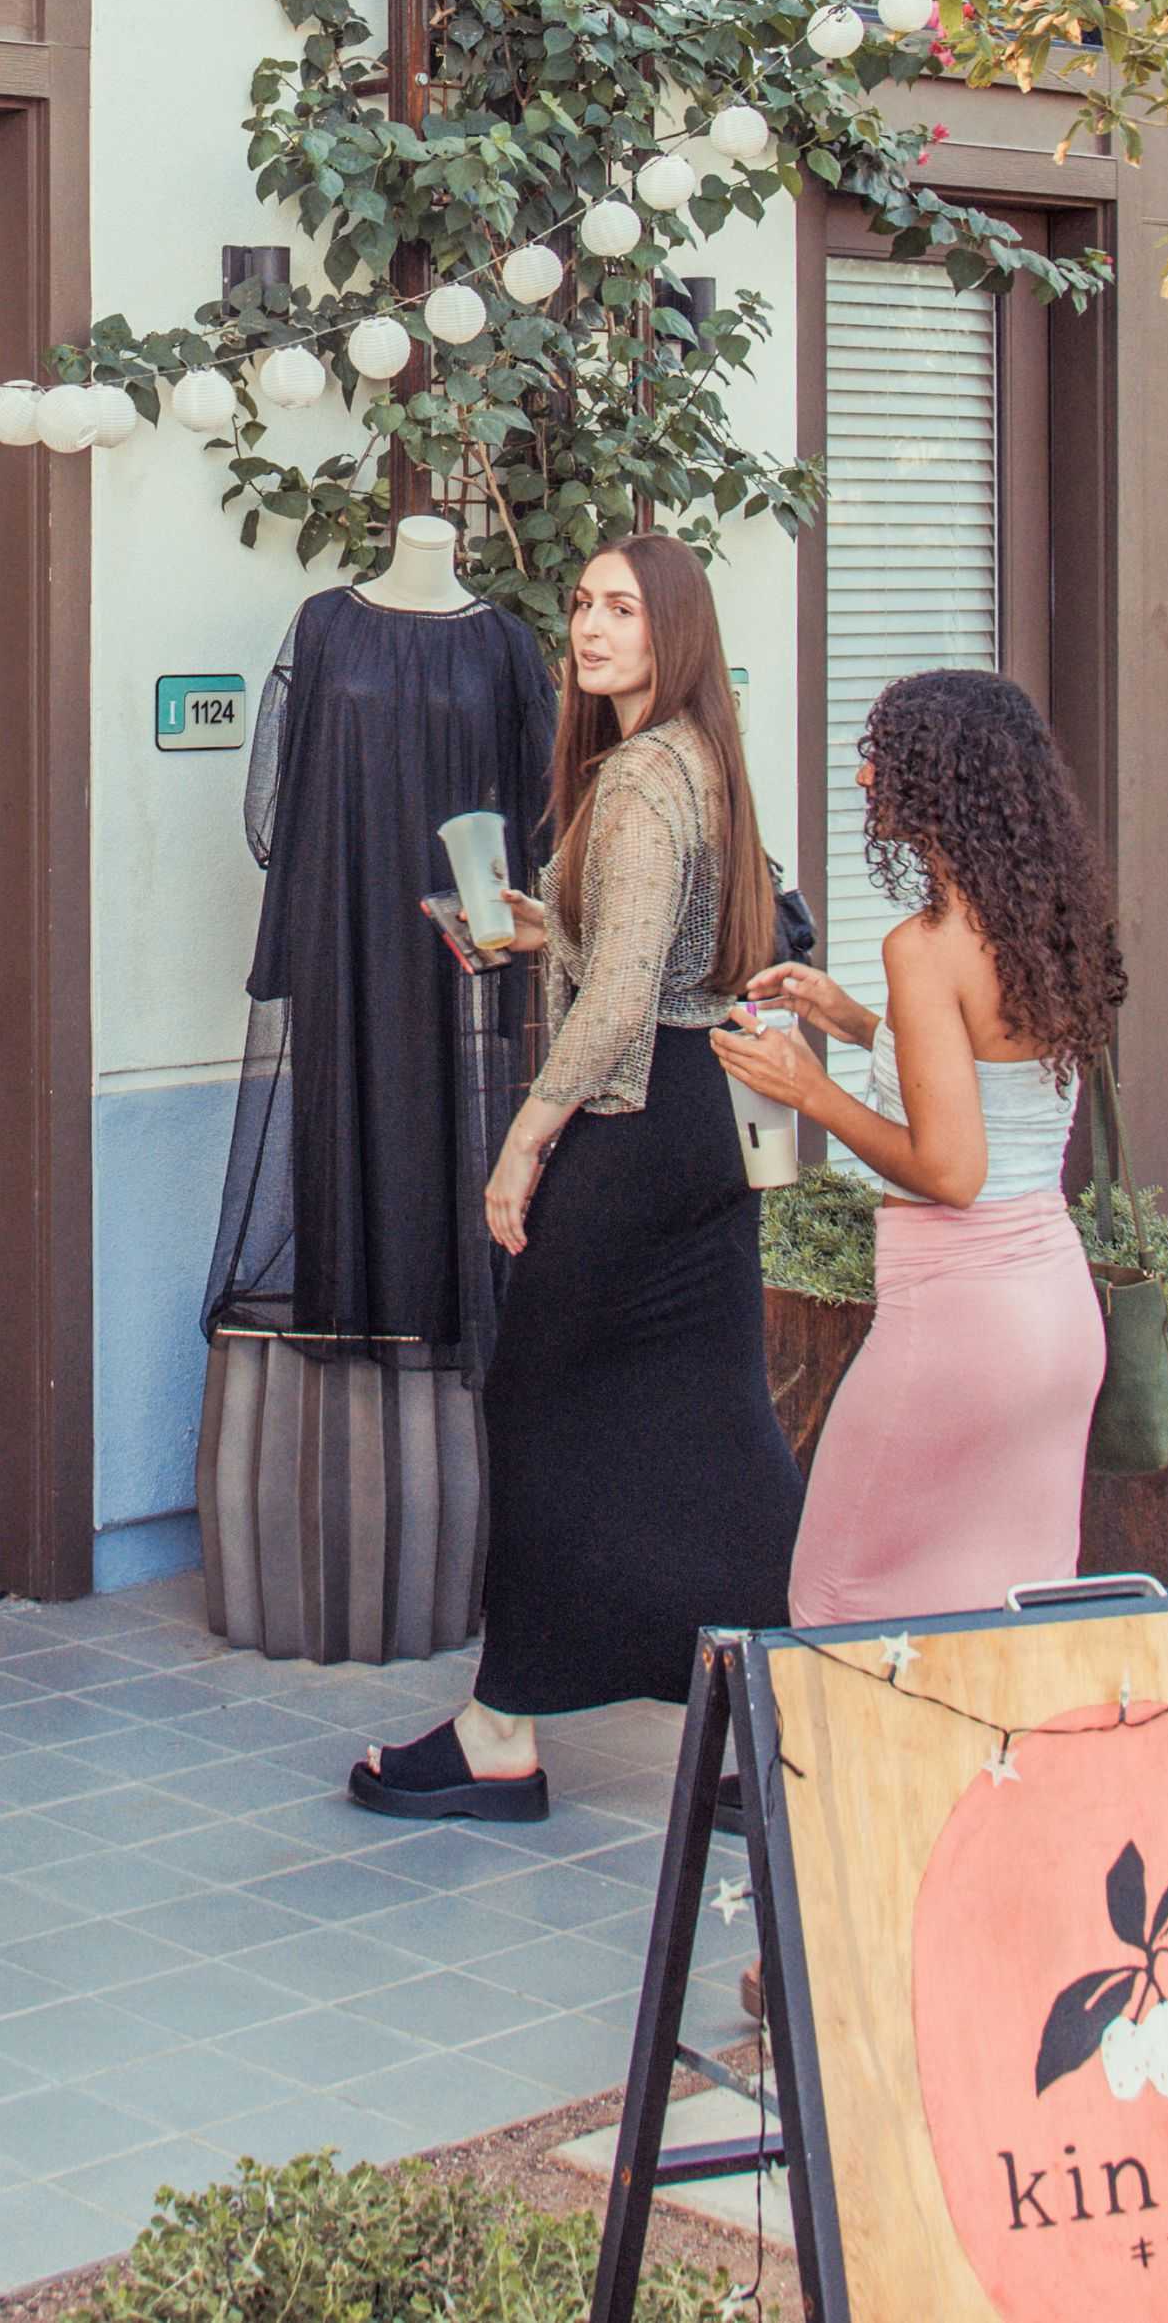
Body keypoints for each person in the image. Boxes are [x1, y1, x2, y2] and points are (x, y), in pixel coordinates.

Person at [349, 534, 801, 1820]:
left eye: (621, 609)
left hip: (635, 1122)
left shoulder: (646, 776)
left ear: (674, 632)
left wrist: (525, 1137)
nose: (591, 629)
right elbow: (645, 956)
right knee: (712, 1416)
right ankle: (774, 1702)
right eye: (584, 605)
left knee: (538, 1403)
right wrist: (551, 929)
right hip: (697, 1113)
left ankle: (503, 1733)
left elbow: (618, 1003)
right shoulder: (698, 760)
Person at [711, 668, 1124, 1626]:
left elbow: (952, 1172)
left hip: (958, 1319)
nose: (862, 779)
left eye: (879, 757)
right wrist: (849, 1018)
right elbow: (989, 1083)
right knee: (1004, 1614)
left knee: (836, 1595)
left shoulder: (926, 943)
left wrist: (807, 1089)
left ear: (942, 778)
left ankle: (825, 1782)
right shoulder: (1045, 921)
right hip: (1055, 1320)